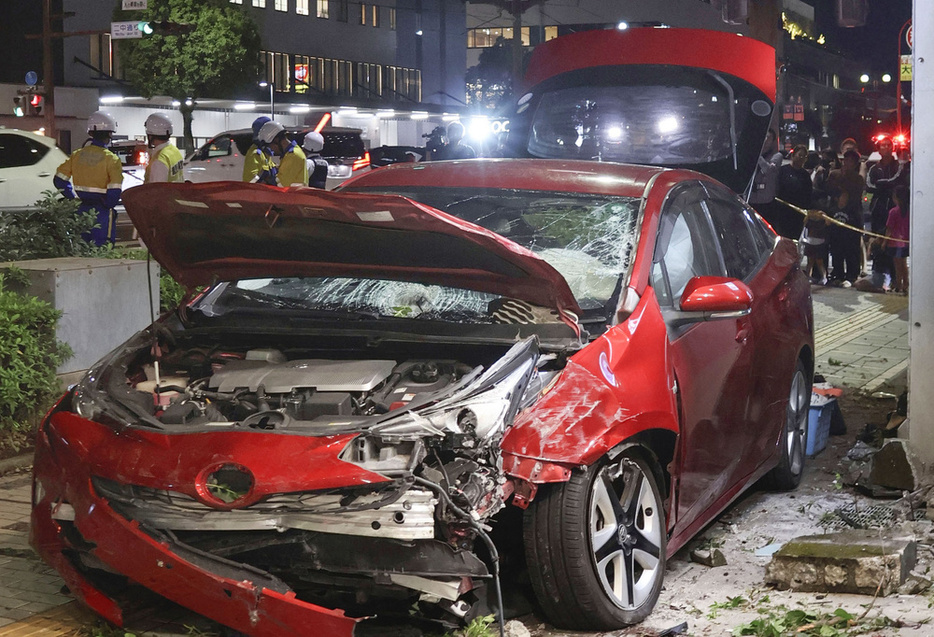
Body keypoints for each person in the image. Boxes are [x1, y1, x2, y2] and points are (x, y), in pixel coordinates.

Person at [53, 111, 123, 246]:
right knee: (103, 249)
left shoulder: (77, 155)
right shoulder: (112, 159)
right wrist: (107, 205)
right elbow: (114, 192)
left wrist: (72, 198)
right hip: (102, 211)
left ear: (90, 133)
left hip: (81, 209)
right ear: (109, 134)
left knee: (82, 248)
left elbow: (59, 180)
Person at [826, 149, 866, 286]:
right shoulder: (834, 174)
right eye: (845, 160)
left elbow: (855, 192)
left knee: (852, 249)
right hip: (836, 216)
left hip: (852, 218)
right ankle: (837, 273)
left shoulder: (858, 178)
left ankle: (852, 275)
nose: (847, 163)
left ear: (855, 164)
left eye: (850, 161)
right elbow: (830, 190)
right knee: (836, 247)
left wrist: (844, 185)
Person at [748, 129, 784, 232]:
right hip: (752, 199)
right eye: (764, 137)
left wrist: (757, 156)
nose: (766, 140)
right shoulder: (750, 156)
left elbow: (768, 170)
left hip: (766, 201)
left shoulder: (776, 156)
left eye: (769, 138)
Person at [775, 144, 812, 239]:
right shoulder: (783, 170)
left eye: (804, 157)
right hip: (782, 214)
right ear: (793, 155)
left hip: (797, 216)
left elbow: (808, 195)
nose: (801, 158)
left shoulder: (805, 175)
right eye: (800, 155)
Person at [259, 121, 307, 187]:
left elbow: (280, 184)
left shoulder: (293, 155)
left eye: (270, 146)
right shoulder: (291, 153)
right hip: (294, 196)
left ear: (276, 140)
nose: (271, 149)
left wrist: (267, 179)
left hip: (293, 196)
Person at [143, 113, 184, 183]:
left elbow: (157, 191)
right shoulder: (174, 150)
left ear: (150, 136)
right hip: (176, 193)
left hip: (167, 194)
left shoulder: (159, 161)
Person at [885, 184, 910, 294]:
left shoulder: (893, 212)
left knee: (897, 265)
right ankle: (906, 284)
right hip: (906, 241)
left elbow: (889, 229)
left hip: (894, 242)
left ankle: (898, 284)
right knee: (903, 264)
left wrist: (884, 242)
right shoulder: (909, 211)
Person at [243, 116, 278, 185]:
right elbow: (251, 180)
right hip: (257, 193)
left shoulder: (265, 152)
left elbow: (271, 169)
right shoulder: (255, 153)